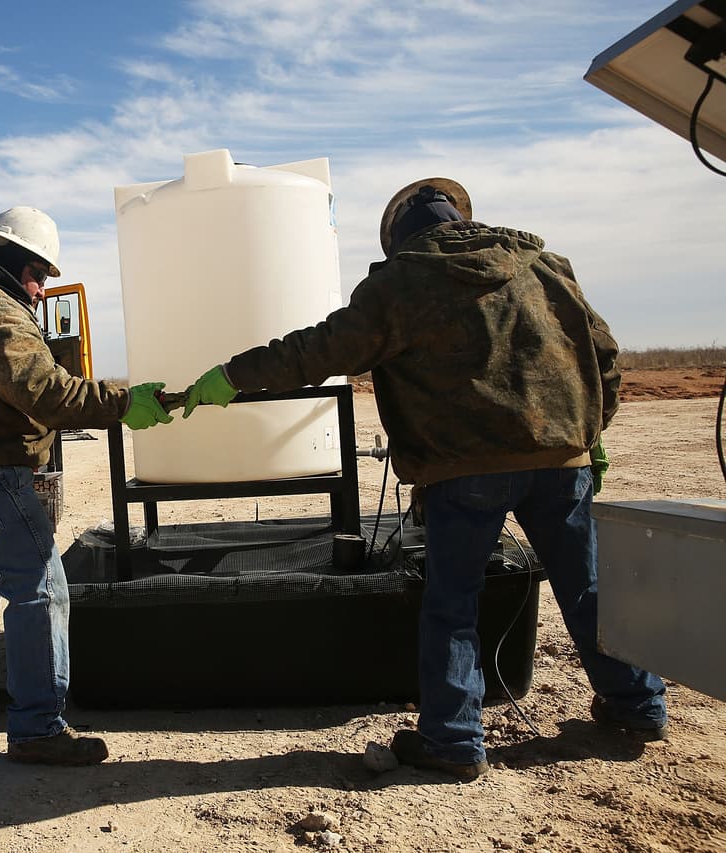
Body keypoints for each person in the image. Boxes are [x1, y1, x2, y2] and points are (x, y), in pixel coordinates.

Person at [181, 178, 667, 781]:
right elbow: (605, 354)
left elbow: (318, 350)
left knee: (452, 605)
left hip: (463, 471)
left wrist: (231, 376)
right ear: (458, 216)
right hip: (560, 460)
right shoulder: (545, 267)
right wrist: (589, 431)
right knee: (588, 586)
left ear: (401, 238)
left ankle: (455, 740)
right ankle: (636, 705)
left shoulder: (401, 283)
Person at [0, 206, 170, 766]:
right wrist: (125, 402)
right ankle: (37, 728)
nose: (43, 288)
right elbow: (46, 392)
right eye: (43, 275)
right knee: (39, 586)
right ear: (22, 265)